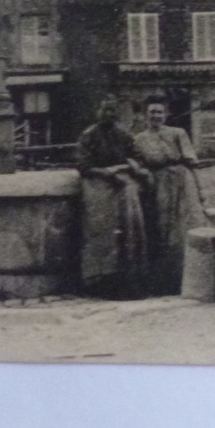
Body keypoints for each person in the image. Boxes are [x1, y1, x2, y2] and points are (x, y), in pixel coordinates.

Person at [131, 96, 211, 295]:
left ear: (166, 114)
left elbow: (192, 162)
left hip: (182, 182)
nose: (156, 116)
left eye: (159, 112)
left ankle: (189, 277)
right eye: (152, 112)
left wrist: (200, 191)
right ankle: (163, 283)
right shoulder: (138, 139)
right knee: (160, 230)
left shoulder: (178, 133)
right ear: (145, 115)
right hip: (156, 185)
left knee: (185, 227)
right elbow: (137, 164)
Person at [76, 97, 151, 298]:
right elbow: (83, 166)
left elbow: (139, 158)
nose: (109, 114)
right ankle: (100, 282)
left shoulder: (123, 134)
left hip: (123, 187)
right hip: (98, 190)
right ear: (98, 111)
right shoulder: (88, 136)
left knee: (129, 233)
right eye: (105, 110)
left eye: (112, 111)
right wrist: (106, 173)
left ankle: (129, 281)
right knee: (101, 235)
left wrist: (127, 167)